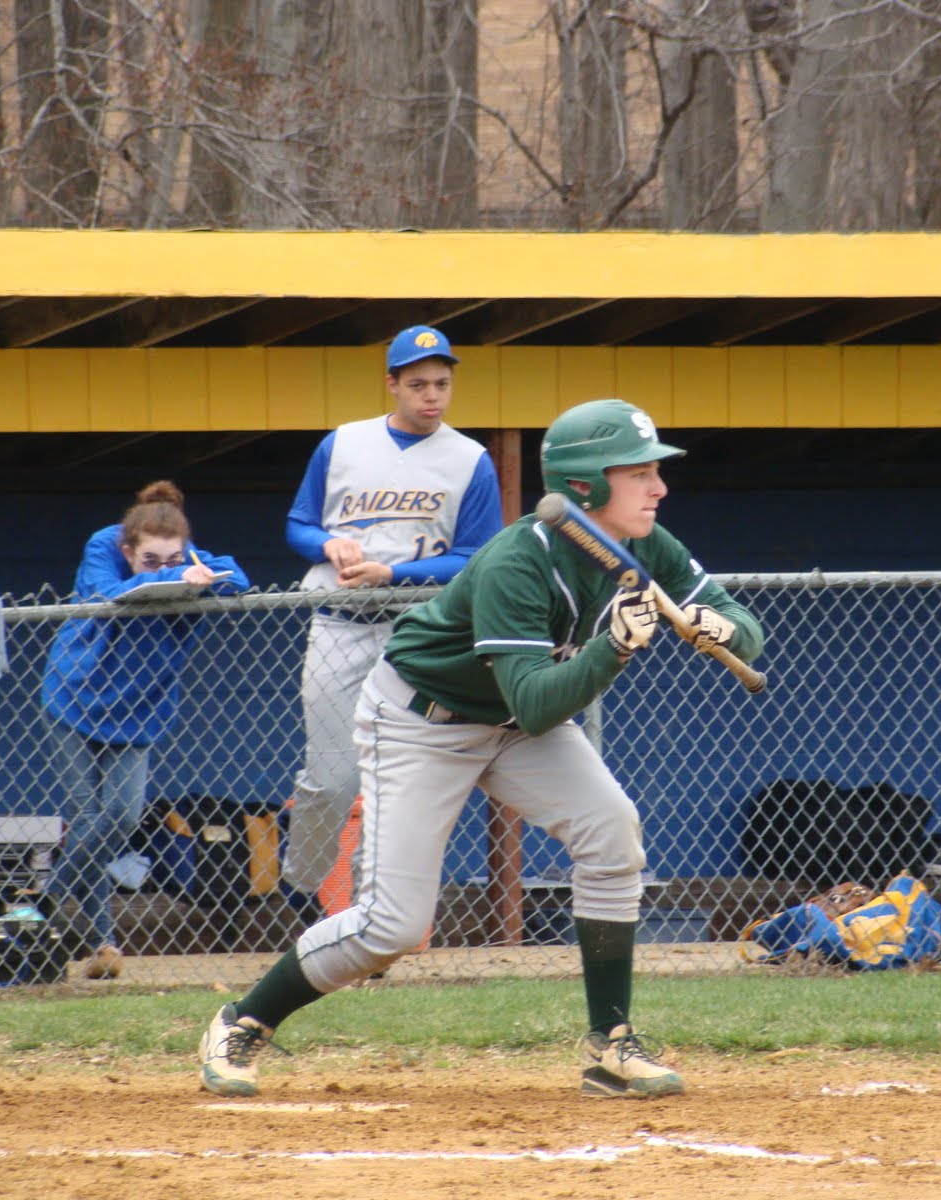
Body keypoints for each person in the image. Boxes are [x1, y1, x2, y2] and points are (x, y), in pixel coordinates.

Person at [198, 398, 764, 1100]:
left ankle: (611, 1044)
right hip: (423, 721)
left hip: (513, 721)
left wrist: (724, 628)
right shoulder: (517, 560)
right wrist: (613, 648)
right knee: (393, 927)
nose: (660, 487)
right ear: (584, 484)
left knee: (610, 830)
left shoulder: (648, 541)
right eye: (640, 472)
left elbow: (745, 624)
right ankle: (243, 1020)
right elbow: (539, 701)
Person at [280, 324, 502, 921]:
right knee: (332, 778)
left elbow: (476, 558)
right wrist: (329, 544)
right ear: (392, 384)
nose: (432, 396)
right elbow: (297, 525)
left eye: (442, 384)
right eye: (419, 384)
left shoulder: (470, 460)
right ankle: (300, 885)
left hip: (414, 627)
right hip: (337, 624)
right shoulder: (344, 443)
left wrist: (396, 573)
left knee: (393, 778)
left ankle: (371, 913)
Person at [41, 480, 249, 980]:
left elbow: (236, 577)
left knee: (122, 815)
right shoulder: (104, 545)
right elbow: (108, 591)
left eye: (172, 558)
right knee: (90, 817)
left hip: (140, 710)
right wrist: (174, 576)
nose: (162, 568)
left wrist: (201, 574)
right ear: (128, 548)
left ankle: (44, 902)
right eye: (149, 560)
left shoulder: (185, 556)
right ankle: (102, 941)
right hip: (75, 695)